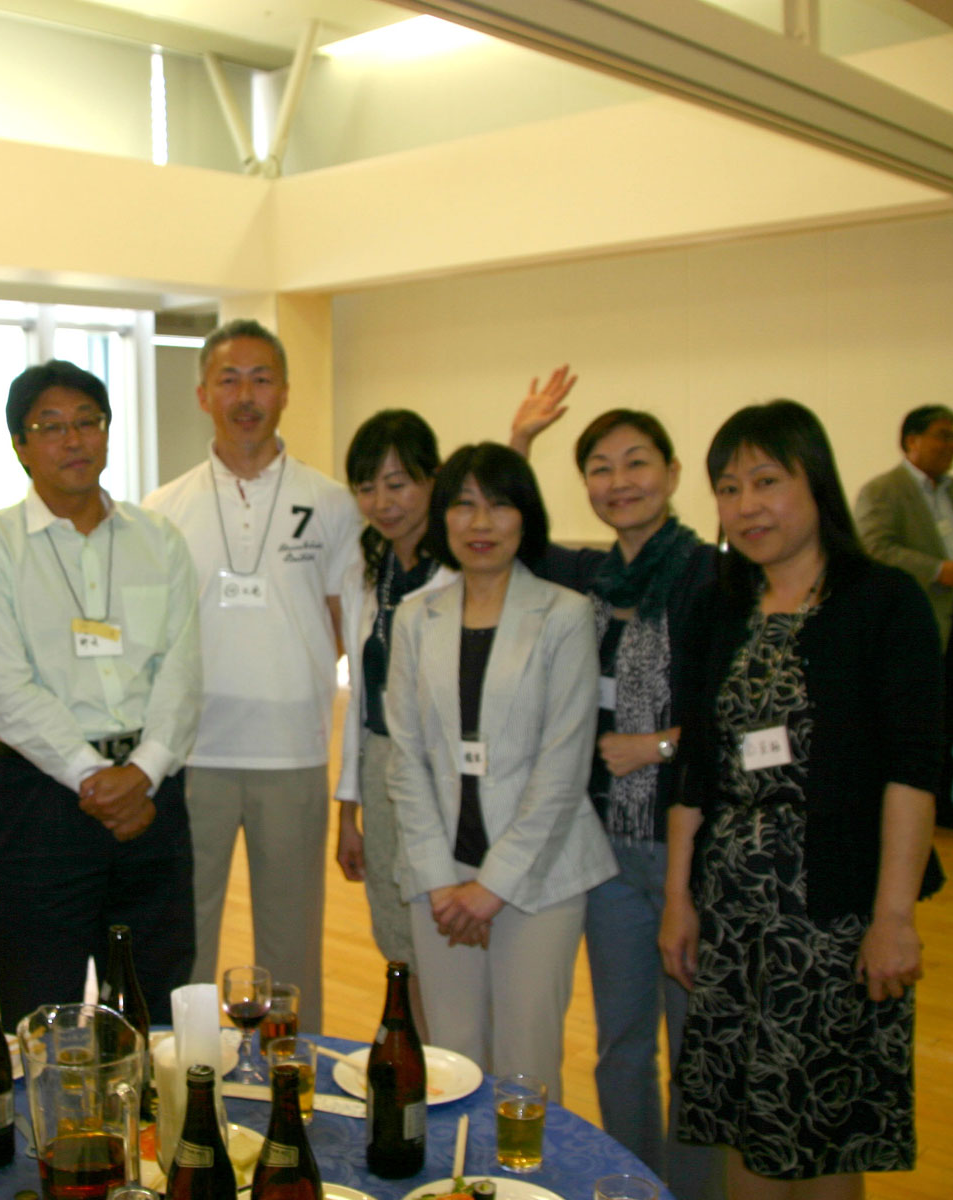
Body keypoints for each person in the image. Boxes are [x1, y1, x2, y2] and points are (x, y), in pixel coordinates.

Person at [661, 400, 942, 1200]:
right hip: (733, 909)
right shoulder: (716, 607)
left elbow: (912, 772)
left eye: (766, 481)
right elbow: (696, 769)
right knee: (746, 1121)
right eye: (728, 488)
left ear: (815, 483)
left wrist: (893, 917)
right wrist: (679, 900)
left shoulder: (882, 601)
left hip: (834, 913)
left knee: (824, 1125)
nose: (746, 505)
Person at [513, 405, 723, 1200]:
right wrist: (519, 445)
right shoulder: (590, 576)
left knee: (694, 1048)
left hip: (687, 845)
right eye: (600, 468)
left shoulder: (711, 578)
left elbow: (733, 712)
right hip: (601, 849)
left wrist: (658, 745)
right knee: (621, 1044)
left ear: (672, 474)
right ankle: (634, 1185)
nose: (619, 481)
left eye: (637, 463)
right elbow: (515, 536)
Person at [0, 359, 201, 1031]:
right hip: (38, 802)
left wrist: (142, 773)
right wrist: (98, 779)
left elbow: (182, 669)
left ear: (107, 432)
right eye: (51, 426)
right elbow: (2, 688)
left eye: (88, 422)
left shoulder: (158, 540)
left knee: (155, 1001)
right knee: (41, 1007)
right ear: (20, 445)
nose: (74, 439)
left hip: (153, 797)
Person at [144, 319, 361, 1033]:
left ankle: (292, 1081)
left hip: (292, 753)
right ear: (203, 394)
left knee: (292, 948)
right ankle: (184, 1075)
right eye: (229, 380)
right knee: (186, 943)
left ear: (286, 392)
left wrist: (289, 671)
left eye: (261, 379)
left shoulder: (331, 502)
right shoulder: (161, 509)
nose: (246, 395)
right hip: (192, 754)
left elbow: (343, 624)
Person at [385, 442, 615, 1097]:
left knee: (526, 1067)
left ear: (526, 516)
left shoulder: (564, 615)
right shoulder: (415, 617)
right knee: (451, 1059)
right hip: (440, 876)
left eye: (500, 505)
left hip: (539, 877)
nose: (480, 523)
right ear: (442, 518)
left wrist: (492, 887)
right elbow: (406, 758)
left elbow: (563, 769)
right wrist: (440, 881)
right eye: (463, 505)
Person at [333, 410, 452, 1028]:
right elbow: (360, 698)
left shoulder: (461, 571)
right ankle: (415, 1052)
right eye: (367, 487)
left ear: (434, 479)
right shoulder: (367, 570)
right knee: (394, 927)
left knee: (442, 926)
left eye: (398, 483)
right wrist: (347, 811)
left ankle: (448, 1055)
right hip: (380, 764)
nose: (383, 502)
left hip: (442, 772)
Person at [854, 406, 953, 830]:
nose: (952, 445)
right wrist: (937, 570)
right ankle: (919, 803)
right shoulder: (883, 490)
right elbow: (874, 549)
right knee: (920, 716)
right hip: (914, 620)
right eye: (942, 435)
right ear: (911, 441)